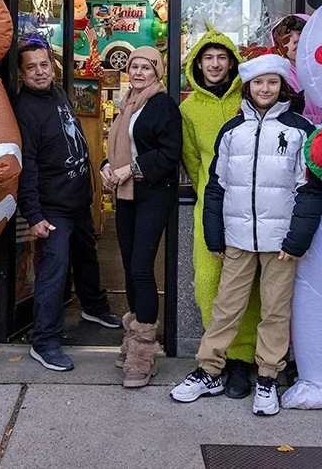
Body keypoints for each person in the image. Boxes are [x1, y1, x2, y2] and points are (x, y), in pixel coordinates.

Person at [170, 52, 322, 415]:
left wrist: (297, 239)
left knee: (274, 310)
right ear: (248, 86)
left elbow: (310, 189)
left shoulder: (301, 129)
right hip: (238, 239)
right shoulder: (232, 131)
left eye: (272, 82)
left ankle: (268, 376)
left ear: (282, 85)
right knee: (226, 308)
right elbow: (216, 187)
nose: (265, 88)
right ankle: (209, 369)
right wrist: (215, 235)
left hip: (281, 244)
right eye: (258, 82)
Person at [12, 36, 121, 372]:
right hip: (53, 207)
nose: (40, 72)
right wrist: (34, 214)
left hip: (77, 200)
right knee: (53, 273)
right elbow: (26, 165)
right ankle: (44, 341)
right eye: (31, 68)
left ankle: (93, 305)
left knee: (87, 258)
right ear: (22, 73)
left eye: (44, 64)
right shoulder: (24, 110)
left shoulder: (58, 94)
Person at [180, 27, 259, 399]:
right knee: (208, 283)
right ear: (198, 64)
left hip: (254, 206)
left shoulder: (251, 100)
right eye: (208, 58)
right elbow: (193, 161)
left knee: (250, 287)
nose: (214, 64)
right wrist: (208, 197)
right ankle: (218, 359)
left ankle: (243, 360)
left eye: (221, 57)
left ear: (232, 63)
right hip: (210, 207)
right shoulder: (189, 109)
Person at [101, 46, 182, 388]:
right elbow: (116, 149)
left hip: (152, 193)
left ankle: (143, 350)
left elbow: (168, 154)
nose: (137, 72)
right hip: (126, 194)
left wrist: (128, 170)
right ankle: (132, 335)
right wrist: (107, 168)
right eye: (133, 66)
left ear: (157, 71)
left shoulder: (162, 105)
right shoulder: (126, 105)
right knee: (129, 270)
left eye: (145, 67)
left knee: (140, 268)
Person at [268, 14, 322, 125]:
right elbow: (284, 117)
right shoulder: (279, 78)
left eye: (301, 33)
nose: (296, 40)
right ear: (278, 45)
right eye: (288, 36)